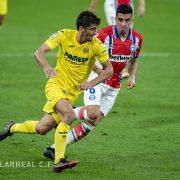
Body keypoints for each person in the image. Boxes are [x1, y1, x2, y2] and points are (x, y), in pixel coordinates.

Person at [0, 11, 113, 173]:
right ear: (81, 28)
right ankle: (59, 160)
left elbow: (108, 70)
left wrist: (90, 83)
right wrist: (46, 66)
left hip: (71, 94)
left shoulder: (96, 45)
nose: (96, 33)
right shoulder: (64, 35)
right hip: (55, 85)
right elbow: (39, 52)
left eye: (96, 29)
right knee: (69, 115)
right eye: (92, 29)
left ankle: (12, 128)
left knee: (41, 128)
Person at [44, 4, 143, 160]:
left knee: (93, 121)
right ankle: (67, 113)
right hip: (97, 81)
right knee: (91, 113)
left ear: (132, 20)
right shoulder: (103, 34)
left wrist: (132, 76)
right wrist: (98, 74)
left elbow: (134, 61)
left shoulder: (137, 39)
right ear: (115, 18)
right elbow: (89, 53)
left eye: (127, 20)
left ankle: (53, 148)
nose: (124, 24)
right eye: (120, 20)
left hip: (114, 87)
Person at [89, 0, 145, 78]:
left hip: (128, 3)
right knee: (115, 30)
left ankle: (119, 66)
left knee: (127, 34)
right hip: (113, 2)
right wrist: (93, 6)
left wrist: (142, 4)